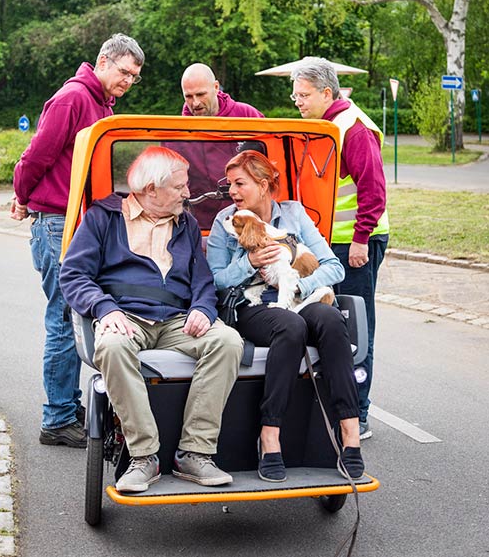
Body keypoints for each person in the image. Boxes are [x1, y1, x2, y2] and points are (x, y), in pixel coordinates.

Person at [59, 146, 243, 492]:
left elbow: (202, 279)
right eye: (179, 187)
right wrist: (104, 307)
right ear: (150, 189)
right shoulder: (103, 217)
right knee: (111, 347)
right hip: (125, 315)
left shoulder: (185, 223)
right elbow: (72, 275)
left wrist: (203, 309)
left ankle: (195, 452)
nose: (187, 193)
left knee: (228, 341)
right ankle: (144, 456)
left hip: (176, 318)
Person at [11, 33, 145, 448]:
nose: (127, 82)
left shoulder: (102, 103)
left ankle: (67, 407)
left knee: (79, 316)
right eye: (124, 72)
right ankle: (56, 418)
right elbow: (37, 155)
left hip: (78, 224)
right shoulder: (73, 98)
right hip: (57, 222)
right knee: (65, 317)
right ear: (103, 62)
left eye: (134, 77)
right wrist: (21, 196)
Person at [207, 150, 364, 482]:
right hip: (253, 305)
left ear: (263, 186)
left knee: (333, 321)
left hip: (299, 295)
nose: (232, 192)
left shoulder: (293, 214)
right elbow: (215, 281)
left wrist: (300, 288)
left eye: (239, 184)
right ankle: (270, 434)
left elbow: (333, 267)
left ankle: (350, 431)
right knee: (290, 327)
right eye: (229, 185)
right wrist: (247, 264)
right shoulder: (225, 221)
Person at [290, 57, 389, 440]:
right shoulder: (324, 127)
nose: (297, 101)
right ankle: (335, 405)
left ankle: (358, 413)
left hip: (355, 243)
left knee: (355, 325)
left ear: (326, 93)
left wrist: (361, 239)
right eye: (295, 94)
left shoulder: (354, 128)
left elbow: (373, 190)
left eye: (303, 94)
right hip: (331, 241)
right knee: (329, 320)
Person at [168, 62, 265, 228]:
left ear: (216, 87)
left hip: (247, 218)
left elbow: (268, 164)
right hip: (200, 223)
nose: (196, 103)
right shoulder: (179, 132)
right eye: (189, 97)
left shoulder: (247, 115)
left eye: (201, 94)